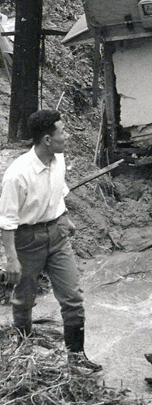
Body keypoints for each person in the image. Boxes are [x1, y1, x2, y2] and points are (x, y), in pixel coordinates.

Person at [0, 109, 101, 371]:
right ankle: (23, 357)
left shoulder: (59, 160)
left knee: (73, 297)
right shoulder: (17, 174)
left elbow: (58, 193)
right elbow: (7, 221)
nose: (66, 136)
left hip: (57, 236)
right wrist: (11, 259)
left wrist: (64, 218)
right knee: (24, 298)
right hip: (27, 239)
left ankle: (76, 357)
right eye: (62, 132)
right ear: (47, 139)